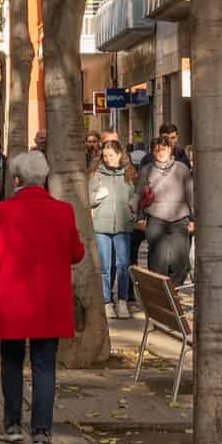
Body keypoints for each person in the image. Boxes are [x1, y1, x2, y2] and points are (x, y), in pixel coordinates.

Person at [0, 150, 83, 444]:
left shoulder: (5, 210)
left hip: (12, 301)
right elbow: (76, 253)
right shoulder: (64, 211)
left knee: (12, 361)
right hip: (48, 302)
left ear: (16, 179)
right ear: (44, 178)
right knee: (45, 366)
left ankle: (13, 424)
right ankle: (42, 432)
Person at [89, 139, 136, 319]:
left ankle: (122, 301)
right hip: (101, 226)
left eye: (111, 155)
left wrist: (134, 209)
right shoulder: (96, 174)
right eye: (105, 155)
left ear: (119, 155)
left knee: (123, 265)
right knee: (105, 266)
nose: (108, 159)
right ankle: (107, 302)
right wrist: (98, 196)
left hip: (123, 226)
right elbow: (89, 198)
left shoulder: (129, 174)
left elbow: (135, 196)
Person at [139, 136, 195, 285]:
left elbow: (191, 194)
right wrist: (139, 217)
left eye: (164, 149)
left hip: (179, 219)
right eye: (157, 150)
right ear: (152, 152)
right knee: (159, 262)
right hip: (155, 219)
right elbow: (139, 195)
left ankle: (174, 290)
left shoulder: (182, 169)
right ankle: (160, 294)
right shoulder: (146, 170)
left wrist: (194, 219)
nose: (160, 152)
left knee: (181, 262)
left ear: (170, 150)